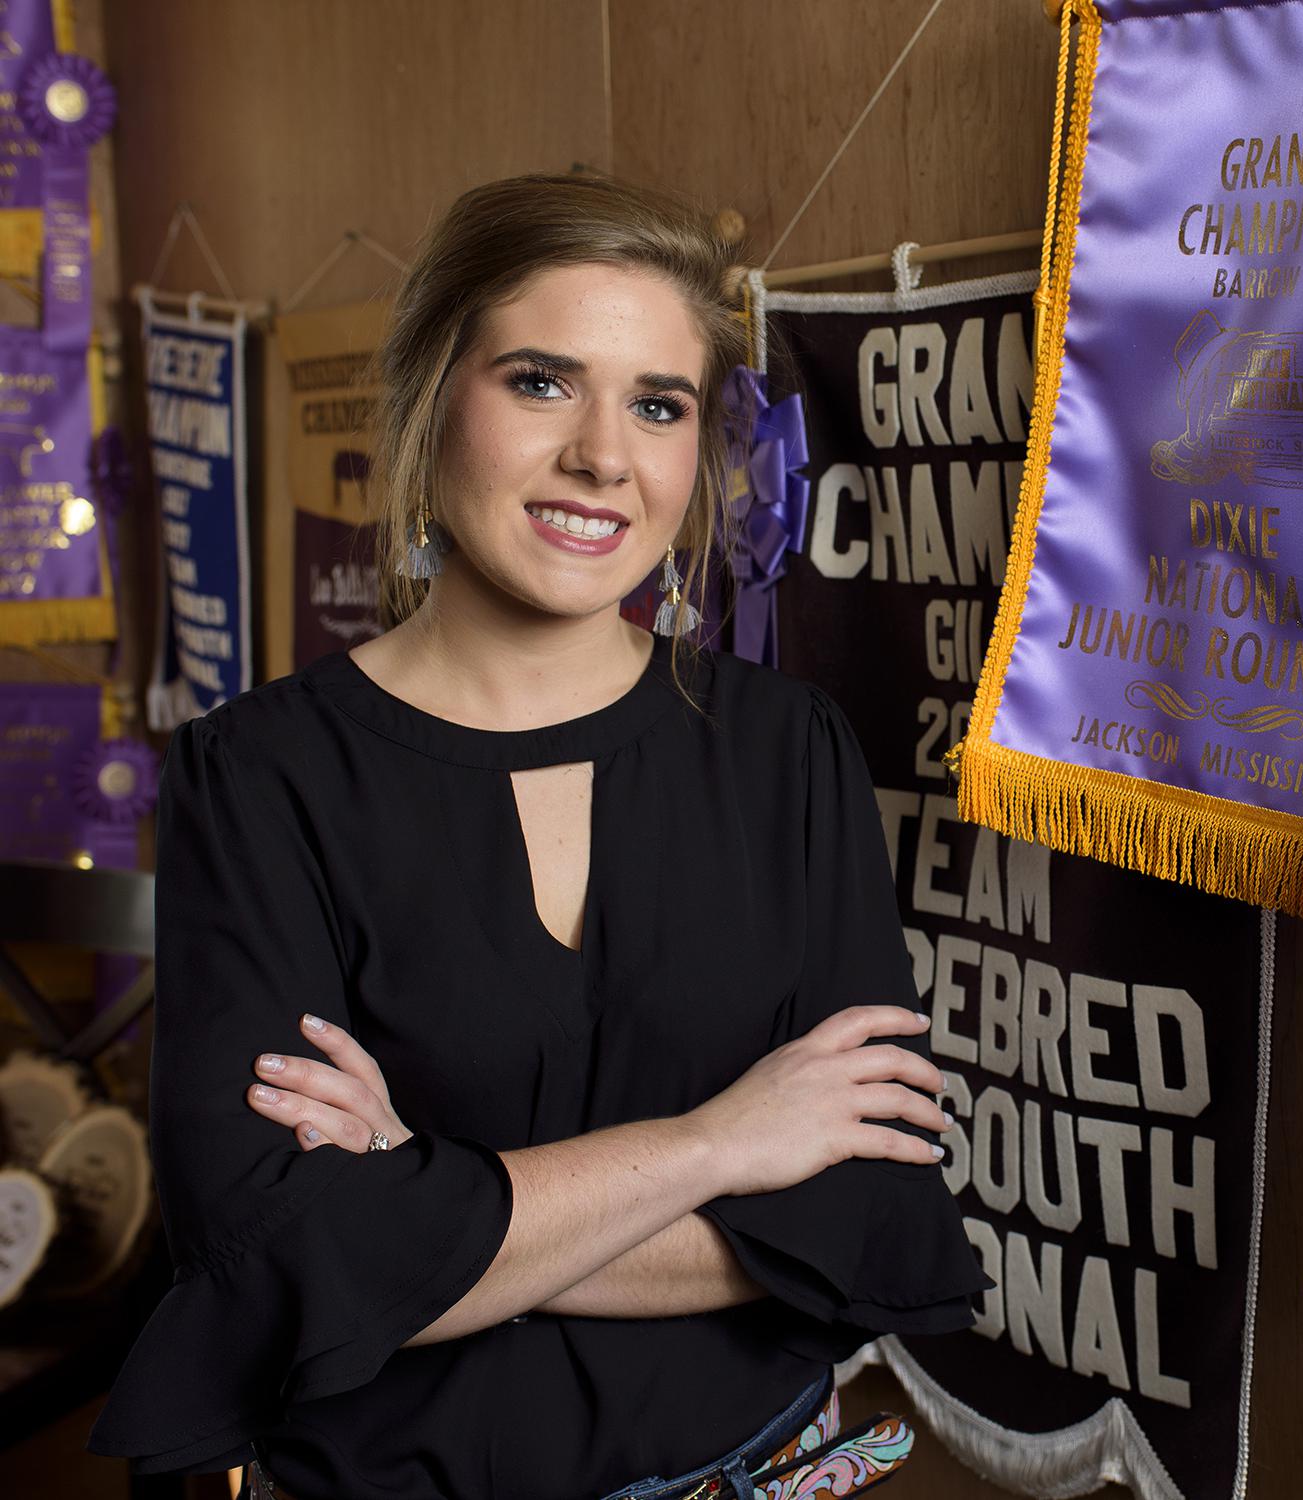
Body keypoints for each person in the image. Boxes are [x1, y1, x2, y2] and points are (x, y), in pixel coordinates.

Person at [87, 172, 990, 1500]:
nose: (605, 460)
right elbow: (278, 1259)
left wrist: (423, 1196)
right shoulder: (256, 776)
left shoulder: (786, 752)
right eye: (542, 383)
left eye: (658, 405)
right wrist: (722, 1144)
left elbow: (869, 1213)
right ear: (432, 395)